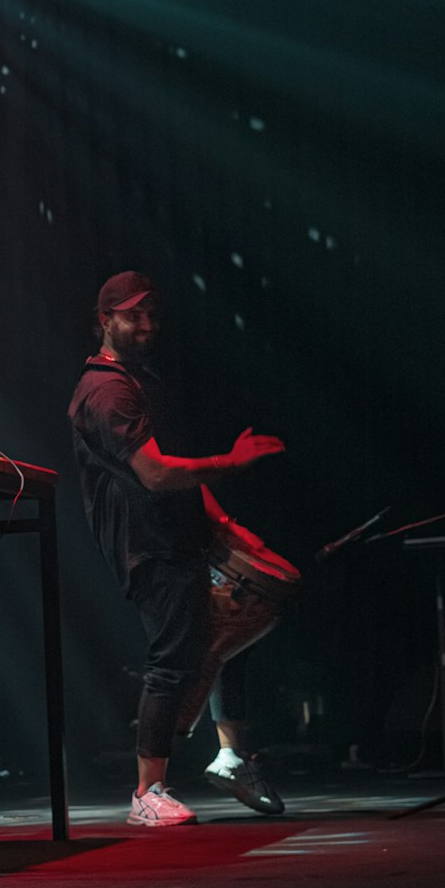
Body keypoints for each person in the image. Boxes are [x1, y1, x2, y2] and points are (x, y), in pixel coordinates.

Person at [68, 270, 286, 827]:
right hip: (148, 547)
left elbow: (180, 472)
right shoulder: (107, 390)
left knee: (226, 641)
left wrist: (223, 523)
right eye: (132, 315)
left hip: (180, 536)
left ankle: (231, 755)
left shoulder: (141, 379)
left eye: (151, 315)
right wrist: (233, 463)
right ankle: (146, 793)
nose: (145, 324)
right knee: (172, 660)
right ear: (105, 320)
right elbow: (158, 474)